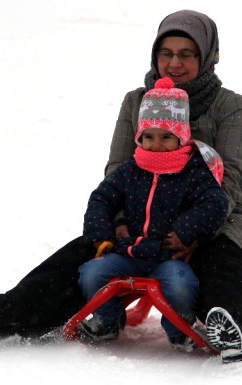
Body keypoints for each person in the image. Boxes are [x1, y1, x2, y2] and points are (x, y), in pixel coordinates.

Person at [0, 9, 242, 363]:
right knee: (83, 253)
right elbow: (117, 170)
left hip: (215, 217)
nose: (175, 63)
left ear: (206, 57)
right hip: (139, 218)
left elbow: (231, 181)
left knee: (220, 259)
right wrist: (119, 222)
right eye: (166, 53)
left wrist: (193, 232)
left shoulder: (229, 106)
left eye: (187, 54)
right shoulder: (136, 100)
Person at [77, 77, 228, 352]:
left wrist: (184, 231)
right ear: (140, 137)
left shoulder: (193, 170)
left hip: (168, 255)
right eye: (149, 137)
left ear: (181, 136)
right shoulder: (131, 168)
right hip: (130, 252)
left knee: (181, 284)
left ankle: (179, 327)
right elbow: (101, 197)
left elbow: (216, 203)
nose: (156, 145)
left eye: (166, 137)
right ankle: (107, 321)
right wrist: (102, 236)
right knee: (92, 272)